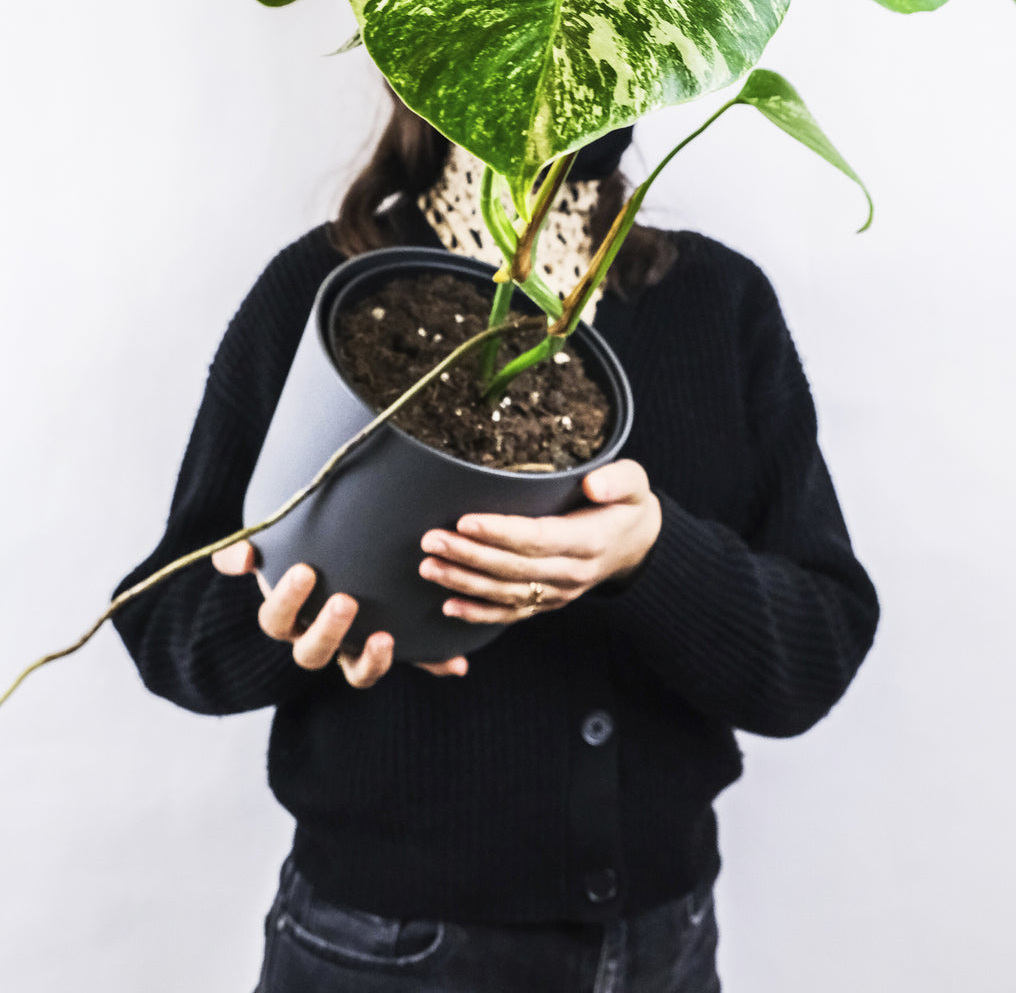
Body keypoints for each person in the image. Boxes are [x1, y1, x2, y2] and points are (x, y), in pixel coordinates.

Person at [113, 97, 880, 993]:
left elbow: (815, 651)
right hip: (386, 950)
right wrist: (298, 608)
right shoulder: (330, 295)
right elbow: (168, 627)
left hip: (662, 949)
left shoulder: (718, 301)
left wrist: (651, 557)